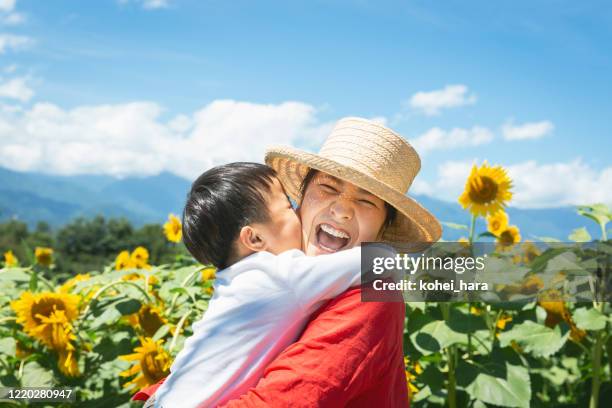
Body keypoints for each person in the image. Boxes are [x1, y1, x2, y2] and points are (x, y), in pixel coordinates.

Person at [135, 117, 441, 407]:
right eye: (328, 188)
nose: (342, 210)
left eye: (366, 201)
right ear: (301, 199)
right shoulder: (275, 271)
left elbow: (290, 399)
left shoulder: (373, 296)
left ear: (383, 229)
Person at [153, 162, 396, 408]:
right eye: (289, 206)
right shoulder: (282, 275)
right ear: (255, 238)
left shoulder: (235, 279)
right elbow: (377, 261)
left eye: (367, 201)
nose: (343, 210)